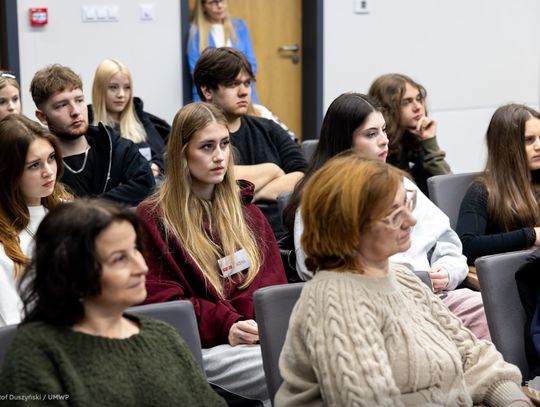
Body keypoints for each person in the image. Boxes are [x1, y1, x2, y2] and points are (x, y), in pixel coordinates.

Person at [275, 154, 531, 407]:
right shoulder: (334, 301)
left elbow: (473, 356)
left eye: (407, 205)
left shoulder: (402, 277)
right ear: (349, 225)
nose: (411, 220)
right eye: (393, 213)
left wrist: (513, 400)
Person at [284, 93, 489, 340]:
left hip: (431, 297)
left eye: (383, 130)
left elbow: (448, 243)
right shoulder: (319, 198)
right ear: (345, 141)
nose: (384, 141)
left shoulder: (399, 182)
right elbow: (318, 271)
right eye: (371, 134)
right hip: (370, 310)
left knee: (484, 309)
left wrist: (447, 272)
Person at [0, 199, 226, 407]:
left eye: (136, 249)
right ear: (73, 271)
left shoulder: (164, 336)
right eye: (120, 259)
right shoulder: (36, 355)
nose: (142, 268)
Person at [137, 102, 287, 404]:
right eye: (207, 147)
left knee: (315, 360)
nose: (219, 156)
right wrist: (227, 324)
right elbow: (164, 306)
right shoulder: (154, 218)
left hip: (255, 338)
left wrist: (254, 324)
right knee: (293, 370)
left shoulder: (248, 214)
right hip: (204, 345)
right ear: (182, 154)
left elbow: (272, 287)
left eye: (224, 144)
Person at [194, 47, 307, 239]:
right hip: (227, 238)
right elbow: (209, 183)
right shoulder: (195, 136)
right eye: (233, 84)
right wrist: (272, 171)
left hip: (284, 235)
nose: (244, 92)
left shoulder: (268, 129)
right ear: (207, 90)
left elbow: (304, 176)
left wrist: (254, 194)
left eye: (247, 83)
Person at [30, 64, 155, 206]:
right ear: (42, 117)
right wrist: (118, 194)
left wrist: (86, 206)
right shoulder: (41, 164)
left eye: (79, 100)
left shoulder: (115, 146)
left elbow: (146, 186)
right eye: (62, 105)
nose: (75, 111)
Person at [0, 115, 71, 327]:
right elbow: (11, 320)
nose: (48, 172)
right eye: (34, 165)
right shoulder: (3, 241)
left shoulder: (69, 212)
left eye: (51, 158)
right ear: (8, 173)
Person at [456, 104, 540, 265]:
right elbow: (466, 246)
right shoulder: (482, 191)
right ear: (508, 146)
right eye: (529, 140)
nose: (539, 146)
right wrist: (532, 235)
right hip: (512, 273)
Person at [368, 73, 451, 196]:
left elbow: (448, 188)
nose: (418, 107)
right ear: (388, 109)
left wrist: (430, 143)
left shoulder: (416, 140)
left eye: (419, 99)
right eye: (407, 102)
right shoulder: (380, 148)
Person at [89, 59, 166, 179]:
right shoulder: (88, 125)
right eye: (113, 87)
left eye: (127, 88)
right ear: (99, 90)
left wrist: (156, 166)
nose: (121, 94)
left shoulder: (139, 117)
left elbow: (164, 152)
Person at [187, 0, 258, 103]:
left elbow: (251, 64)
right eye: (213, 2)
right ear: (203, 6)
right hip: (211, 98)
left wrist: (236, 83)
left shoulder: (239, 26)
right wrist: (226, 86)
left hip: (243, 97)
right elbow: (196, 71)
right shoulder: (195, 31)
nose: (219, 6)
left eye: (222, 1)